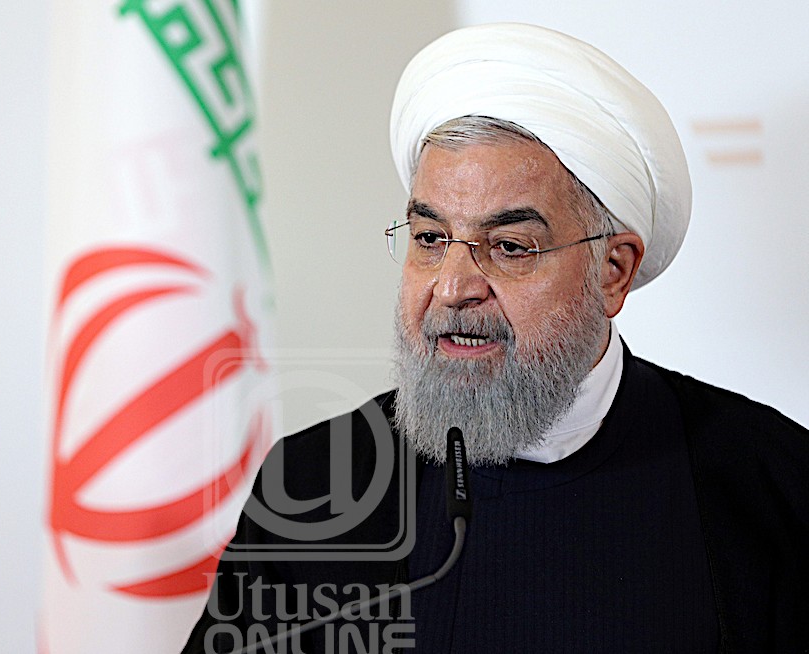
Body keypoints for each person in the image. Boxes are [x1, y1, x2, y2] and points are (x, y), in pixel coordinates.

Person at [183, 23, 808, 653]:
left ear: (613, 271)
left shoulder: (770, 483)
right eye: (430, 239)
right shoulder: (314, 486)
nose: (453, 287)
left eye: (509, 247)